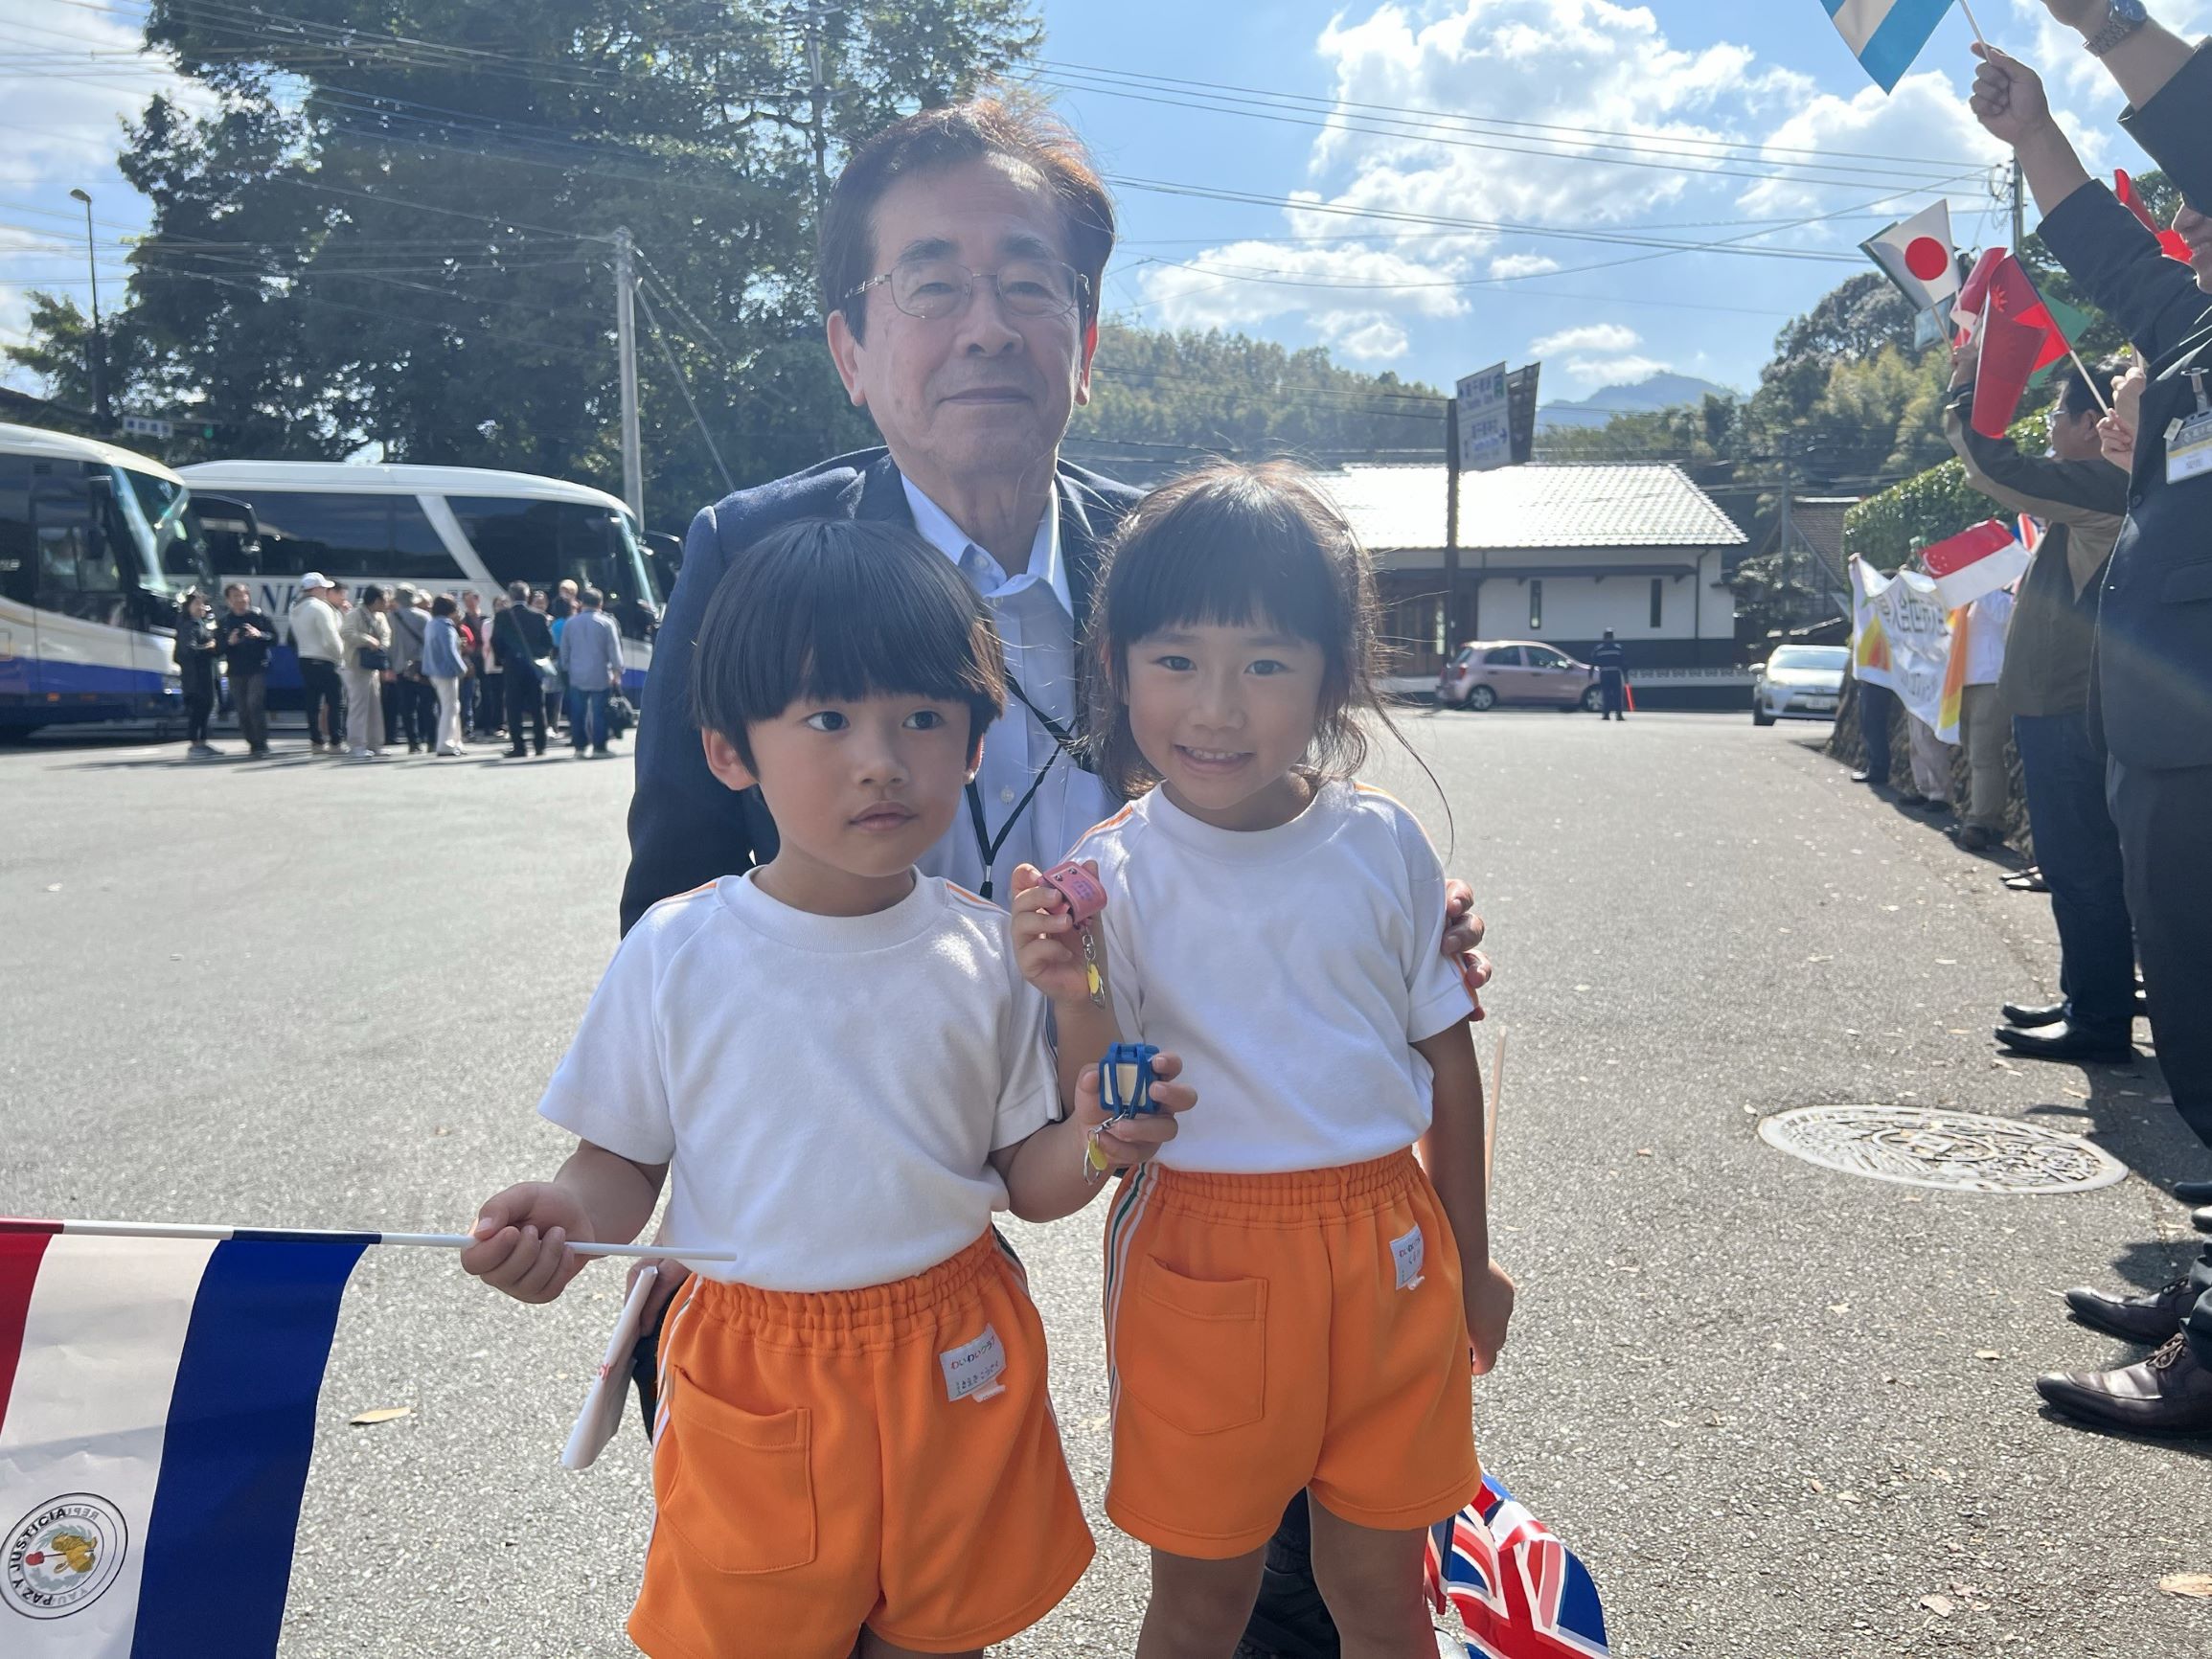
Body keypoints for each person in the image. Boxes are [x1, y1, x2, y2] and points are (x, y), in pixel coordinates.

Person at [617, 98, 1491, 1657]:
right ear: (848, 343)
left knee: (1276, 1545)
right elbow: (675, 889)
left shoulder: (1165, 563)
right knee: (867, 1576)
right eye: (930, 281)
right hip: (886, 1178)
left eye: (1029, 283)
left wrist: (1369, 924)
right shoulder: (755, 553)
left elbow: (1291, 811)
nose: (984, 325)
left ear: (1084, 339)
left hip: (1175, 1129)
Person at [461, 520, 1197, 1659]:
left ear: (972, 747)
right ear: (726, 750)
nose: (879, 758)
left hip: (954, 1355)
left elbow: (1025, 1181)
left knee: (938, 1639)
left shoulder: (985, 953)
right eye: (826, 718)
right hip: (752, 1364)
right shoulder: (676, 949)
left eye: (920, 718)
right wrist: (569, 1218)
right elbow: (617, 1162)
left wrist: (1099, 1138)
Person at [1014, 463, 1511, 1656]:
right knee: (1200, 1596)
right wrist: (1074, 985)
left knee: (1383, 1591)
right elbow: (1116, 1092)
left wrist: (1473, 1261)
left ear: (1330, 677)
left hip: (1388, 1242)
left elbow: (1446, 1062)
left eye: (1265, 664)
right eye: (1174, 660)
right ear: (1116, 665)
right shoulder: (1111, 869)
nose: (1216, 707)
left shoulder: (1381, 842)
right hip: (1198, 1248)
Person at [1970, 12, 2212, 1432]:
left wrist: (2121, 33)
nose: (2180, 217)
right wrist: (2038, 133)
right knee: (2196, 1015)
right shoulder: (2190, 329)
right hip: (2167, 742)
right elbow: (2115, 263)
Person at [1941, 350, 2137, 1062]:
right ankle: (2090, 998)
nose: (2049, 428)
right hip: (2064, 701)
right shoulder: (2108, 485)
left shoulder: (2106, 484)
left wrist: (1968, 386)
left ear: (2095, 422)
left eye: (2057, 414)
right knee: (2081, 860)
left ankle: (2098, 1019)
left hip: (2066, 704)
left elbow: (2000, 470)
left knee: (2079, 861)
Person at [1950, 583, 2015, 852]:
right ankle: (1991, 820)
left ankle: (1980, 822)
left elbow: (2009, 616)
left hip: (1992, 680)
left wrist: (1979, 584)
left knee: (1984, 754)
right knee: (1972, 752)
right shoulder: (1968, 596)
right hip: (1963, 681)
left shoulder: (2005, 589)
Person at [558, 585, 624, 759]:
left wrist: (565, 668)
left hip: (577, 674)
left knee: (578, 712)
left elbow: (564, 650)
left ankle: (579, 747)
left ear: (582, 603)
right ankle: (599, 747)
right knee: (599, 712)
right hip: (600, 674)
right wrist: (617, 672)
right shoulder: (606, 623)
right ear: (600, 603)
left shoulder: (570, 623)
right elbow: (614, 650)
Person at [493, 580, 553, 758]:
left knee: (513, 705)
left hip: (513, 665)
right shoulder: (539, 616)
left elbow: (496, 641)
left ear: (510, 596)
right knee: (537, 705)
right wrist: (538, 655)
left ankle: (519, 746)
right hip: (533, 665)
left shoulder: (503, 616)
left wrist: (502, 659)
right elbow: (548, 644)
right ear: (528, 596)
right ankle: (540, 745)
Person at [217, 581, 276, 758]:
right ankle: (252, 742)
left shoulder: (258, 617)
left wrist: (259, 635)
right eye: (236, 596)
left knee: (254, 704)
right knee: (242, 709)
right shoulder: (225, 621)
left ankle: (262, 742)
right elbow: (218, 648)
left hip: (257, 667)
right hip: (235, 670)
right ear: (228, 600)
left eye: (243, 595)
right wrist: (229, 642)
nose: (241, 600)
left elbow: (273, 638)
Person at [291, 573, 348, 755]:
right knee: (336, 702)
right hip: (324, 660)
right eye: (323, 588)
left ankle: (316, 741)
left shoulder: (295, 608)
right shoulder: (321, 608)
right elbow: (331, 638)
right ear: (315, 589)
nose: (326, 591)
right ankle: (336, 742)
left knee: (312, 702)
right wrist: (341, 657)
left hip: (304, 658)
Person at [340, 584, 394, 761]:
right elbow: (346, 632)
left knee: (374, 707)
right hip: (356, 666)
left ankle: (375, 744)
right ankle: (357, 745)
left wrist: (381, 646)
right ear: (377, 600)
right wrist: (368, 640)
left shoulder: (380, 616)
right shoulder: (355, 614)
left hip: (372, 667)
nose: (387, 603)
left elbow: (386, 635)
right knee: (358, 707)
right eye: (385, 599)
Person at [173, 588, 221, 757]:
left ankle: (203, 741)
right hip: (195, 676)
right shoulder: (188, 626)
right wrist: (208, 647)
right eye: (197, 604)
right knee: (199, 709)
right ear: (188, 607)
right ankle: (195, 743)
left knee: (207, 707)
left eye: (203, 604)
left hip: (206, 674)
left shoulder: (201, 624)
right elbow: (188, 651)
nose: (201, 607)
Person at [383, 584, 430, 755]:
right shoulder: (424, 617)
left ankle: (413, 742)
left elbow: (387, 645)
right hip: (422, 667)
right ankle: (430, 739)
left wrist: (389, 665)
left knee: (407, 707)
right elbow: (429, 644)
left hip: (400, 667)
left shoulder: (390, 618)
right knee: (426, 704)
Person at [423, 593, 468, 758]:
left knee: (452, 706)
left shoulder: (432, 624)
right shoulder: (446, 626)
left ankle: (456, 740)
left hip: (433, 671)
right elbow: (450, 652)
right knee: (450, 708)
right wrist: (461, 669)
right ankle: (445, 744)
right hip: (446, 672)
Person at [457, 588, 490, 739]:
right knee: (469, 694)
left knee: (486, 692)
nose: (469, 603)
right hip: (470, 661)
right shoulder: (462, 621)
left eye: (472, 599)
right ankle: (469, 725)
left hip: (485, 659)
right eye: (467, 600)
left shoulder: (485, 619)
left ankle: (487, 723)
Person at [1593, 626, 1628, 720]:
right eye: (1608, 636)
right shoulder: (1618, 648)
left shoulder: (1599, 649)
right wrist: (1625, 676)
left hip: (1607, 673)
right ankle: (1615, 715)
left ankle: (1610, 714)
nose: (1609, 638)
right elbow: (1624, 663)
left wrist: (1591, 674)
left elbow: (1593, 662)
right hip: (1613, 673)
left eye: (1610, 636)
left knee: (1609, 695)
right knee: (1612, 695)